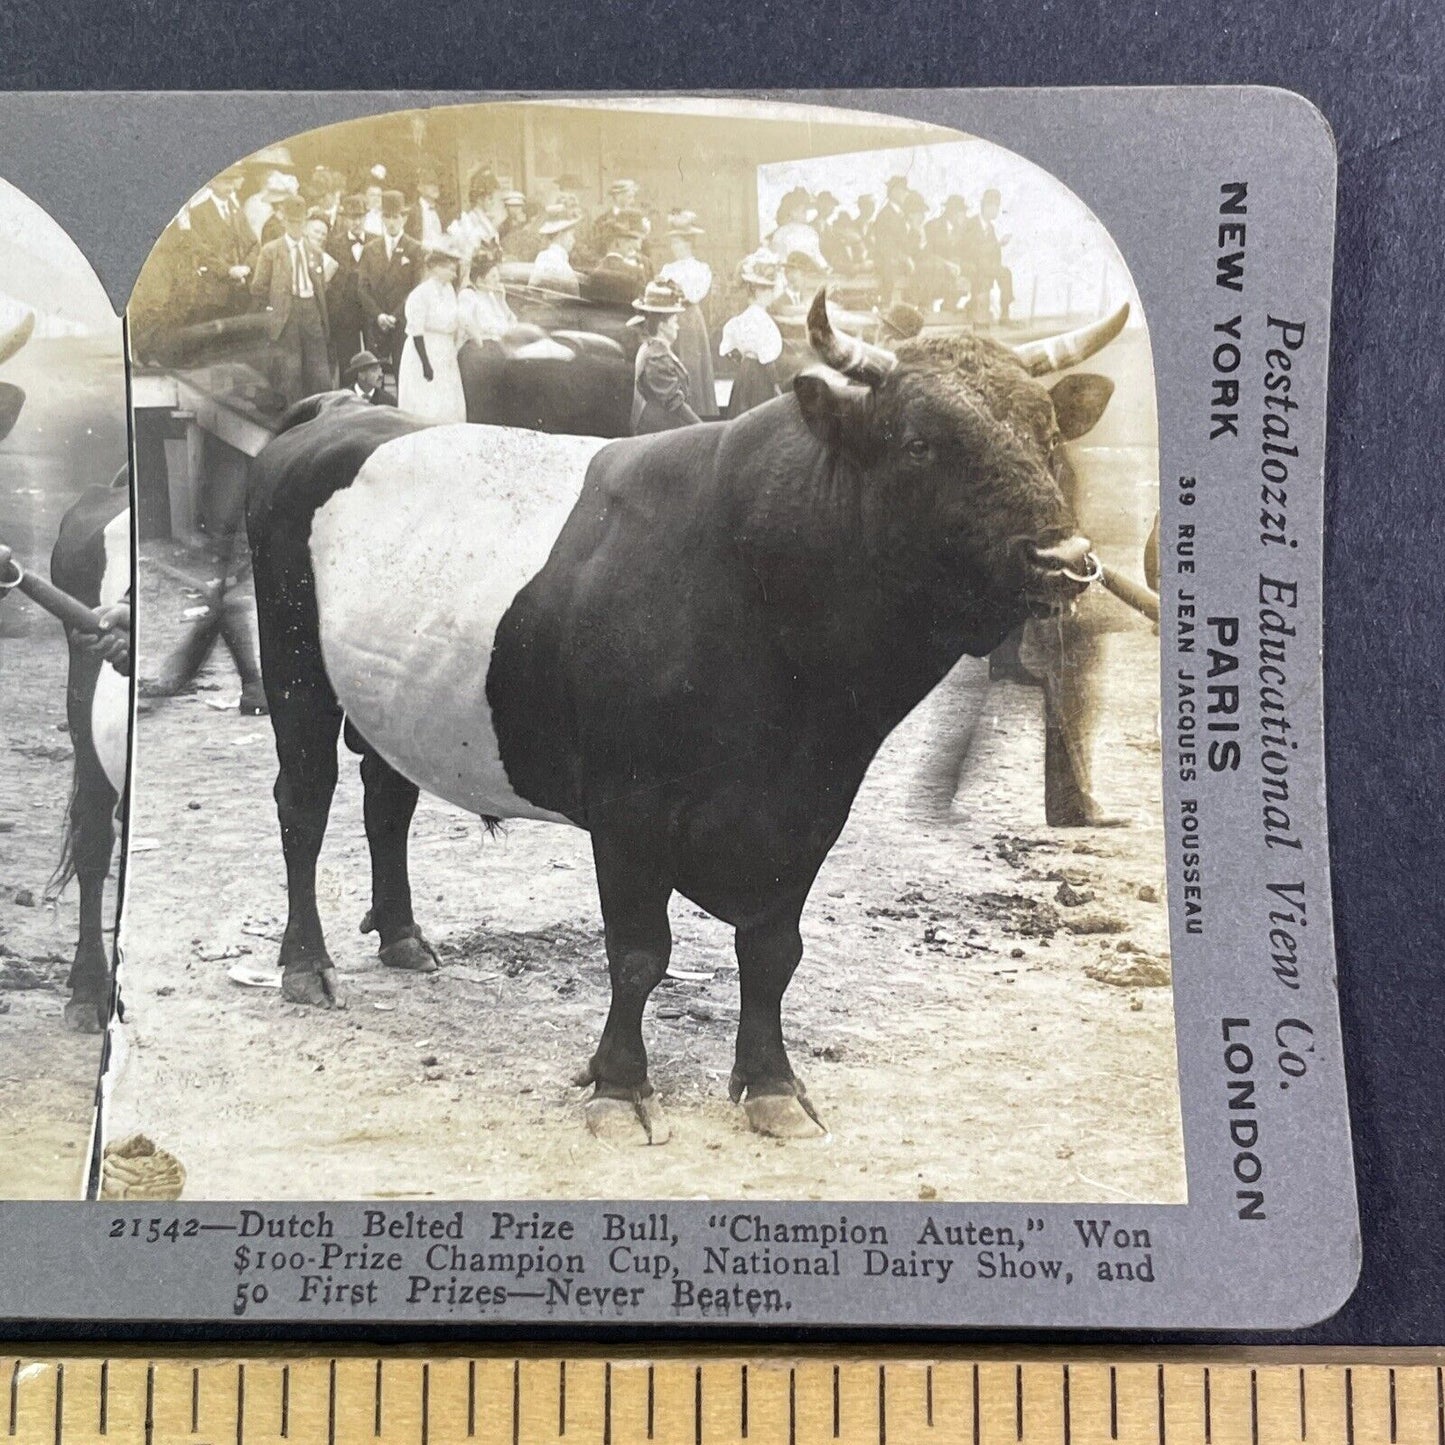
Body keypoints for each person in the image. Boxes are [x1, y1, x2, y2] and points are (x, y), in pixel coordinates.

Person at [250, 193, 332, 405]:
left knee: (320, 372)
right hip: (286, 315)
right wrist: (271, 313)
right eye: (292, 222)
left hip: (311, 310)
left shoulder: (315, 251)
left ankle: (321, 416)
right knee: (291, 372)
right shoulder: (271, 251)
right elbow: (258, 288)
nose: (296, 227)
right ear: (284, 221)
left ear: (305, 222)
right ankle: (293, 421)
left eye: (300, 222)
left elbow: (321, 286)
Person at [397, 241, 467, 422]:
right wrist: (426, 364)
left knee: (447, 401)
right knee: (427, 400)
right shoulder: (421, 294)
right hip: (425, 350)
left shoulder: (449, 290)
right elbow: (416, 332)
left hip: (444, 350)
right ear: (435, 268)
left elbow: (453, 319)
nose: (453, 275)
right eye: (450, 270)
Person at [656, 211, 717, 418]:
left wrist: (678, 290)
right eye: (672, 242)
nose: (673, 247)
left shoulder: (700, 268)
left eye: (677, 242)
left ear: (688, 243)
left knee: (691, 364)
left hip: (689, 319)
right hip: (669, 318)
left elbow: (694, 294)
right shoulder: (668, 268)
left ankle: (696, 411)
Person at [357, 190, 423, 374]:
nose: (392, 222)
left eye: (396, 217)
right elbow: (362, 288)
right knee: (374, 376)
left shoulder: (415, 249)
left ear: (404, 218)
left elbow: (417, 288)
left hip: (402, 323)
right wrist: (378, 315)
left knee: (404, 374)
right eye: (387, 217)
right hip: (376, 323)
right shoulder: (370, 249)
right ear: (382, 219)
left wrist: (396, 316)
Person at [186, 166, 256, 321]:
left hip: (241, 288)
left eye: (231, 182)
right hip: (214, 292)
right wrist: (228, 270)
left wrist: (247, 267)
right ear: (212, 183)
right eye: (225, 182)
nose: (229, 187)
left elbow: (254, 244)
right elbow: (201, 250)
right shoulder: (199, 213)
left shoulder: (237, 211)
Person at [628, 279, 699, 434]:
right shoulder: (656, 356)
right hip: (659, 431)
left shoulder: (654, 348)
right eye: (674, 321)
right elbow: (674, 403)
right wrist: (702, 428)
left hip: (662, 428)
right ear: (662, 326)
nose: (678, 326)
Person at [719, 250, 783, 418]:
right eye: (768, 290)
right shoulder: (761, 318)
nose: (771, 295)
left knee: (741, 413)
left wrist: (744, 361)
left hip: (744, 374)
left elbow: (728, 351)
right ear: (757, 291)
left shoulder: (741, 318)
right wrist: (775, 384)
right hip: (759, 376)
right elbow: (768, 360)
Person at [325, 194, 371, 364]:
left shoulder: (376, 242)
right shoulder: (333, 243)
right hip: (345, 311)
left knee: (374, 358)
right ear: (344, 219)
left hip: (369, 309)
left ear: (366, 217)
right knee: (348, 360)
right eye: (352, 218)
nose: (356, 222)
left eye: (360, 217)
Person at [965, 188, 1014, 325]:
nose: (996, 211)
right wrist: (998, 244)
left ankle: (1005, 315)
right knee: (984, 281)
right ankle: (973, 307)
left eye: (997, 207)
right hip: (972, 266)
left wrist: (996, 265)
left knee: (1005, 273)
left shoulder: (990, 227)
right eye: (993, 206)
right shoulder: (971, 224)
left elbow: (995, 254)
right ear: (984, 206)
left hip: (986, 267)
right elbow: (971, 250)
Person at [587, 210, 652, 303]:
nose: (631, 246)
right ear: (617, 243)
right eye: (627, 241)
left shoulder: (595, 270)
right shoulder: (635, 272)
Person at [870, 175, 915, 306]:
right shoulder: (885, 215)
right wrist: (905, 258)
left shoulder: (901, 215)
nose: (906, 194)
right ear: (894, 191)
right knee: (889, 272)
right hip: (887, 261)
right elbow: (885, 246)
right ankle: (887, 306)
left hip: (900, 261)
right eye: (903, 190)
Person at [457, 249, 516, 345]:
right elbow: (464, 319)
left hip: (500, 346)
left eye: (498, 276)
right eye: (493, 276)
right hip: (481, 346)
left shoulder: (493, 296)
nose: (497, 280)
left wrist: (502, 302)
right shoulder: (468, 295)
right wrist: (478, 339)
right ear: (479, 280)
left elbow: (513, 327)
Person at [767, 187, 828, 272]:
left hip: (810, 270)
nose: (806, 214)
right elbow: (778, 253)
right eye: (803, 211)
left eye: (806, 211)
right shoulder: (782, 232)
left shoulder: (810, 231)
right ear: (792, 213)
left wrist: (824, 266)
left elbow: (816, 253)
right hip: (790, 270)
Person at [448, 170, 503, 261]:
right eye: (490, 199)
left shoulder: (485, 220)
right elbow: (471, 251)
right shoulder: (468, 221)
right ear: (479, 199)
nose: (493, 202)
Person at [527, 205, 581, 295]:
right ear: (560, 235)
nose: (573, 240)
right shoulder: (551, 259)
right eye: (571, 235)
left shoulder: (546, 257)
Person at [407, 164, 448, 248]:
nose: (435, 187)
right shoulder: (413, 212)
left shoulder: (441, 211)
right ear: (419, 187)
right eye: (430, 183)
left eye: (436, 184)